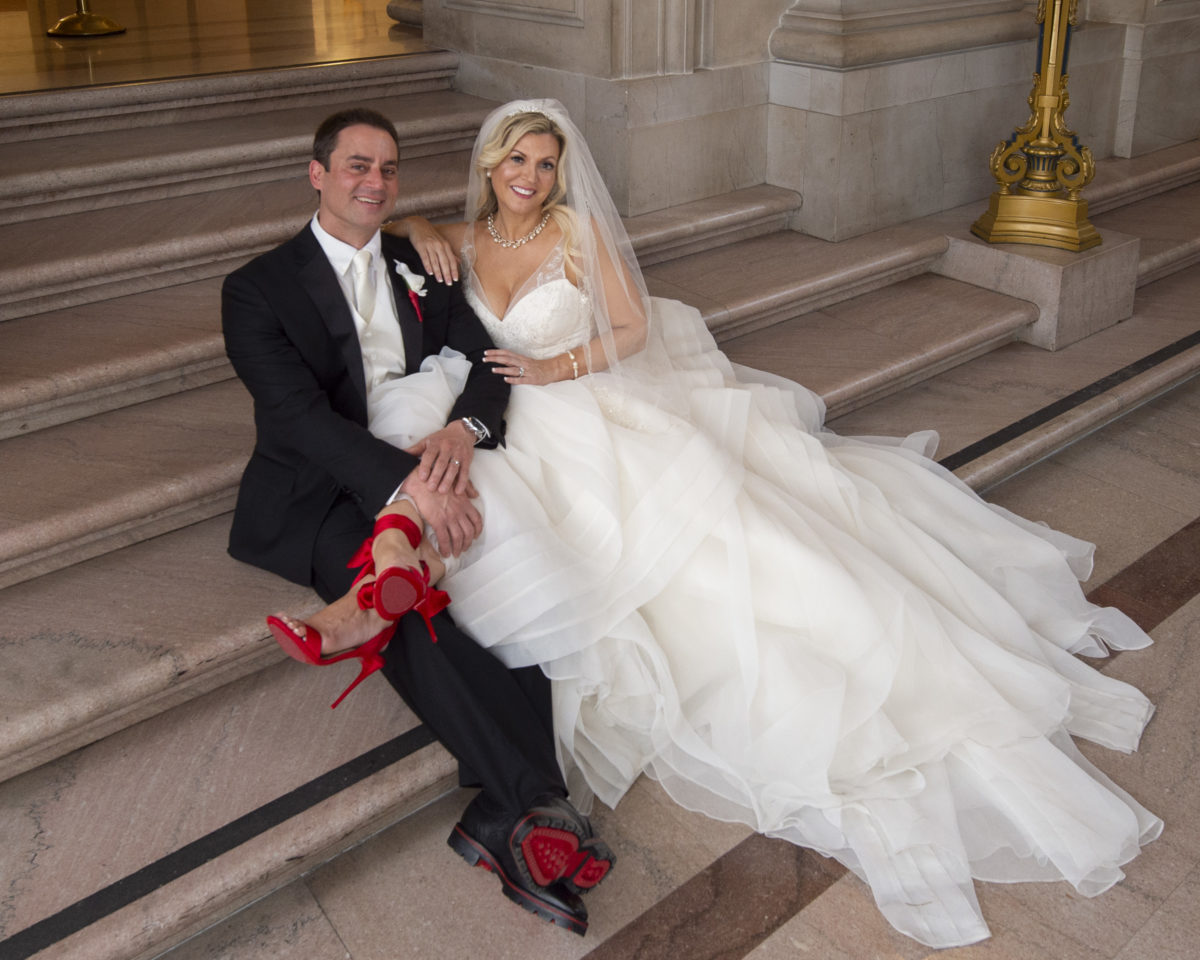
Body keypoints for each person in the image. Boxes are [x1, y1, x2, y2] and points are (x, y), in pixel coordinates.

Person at [290, 100, 1162, 949]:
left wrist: (558, 366)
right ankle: (405, 574)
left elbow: (628, 328)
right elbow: (381, 228)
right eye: (517, 159)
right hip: (498, 410)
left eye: (546, 163)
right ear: (490, 163)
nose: (530, 175)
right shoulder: (448, 238)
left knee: (718, 551)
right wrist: (418, 227)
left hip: (581, 399)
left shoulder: (578, 234)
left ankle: (413, 586)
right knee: (491, 507)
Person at [221, 107, 614, 938]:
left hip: (430, 457)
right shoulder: (257, 287)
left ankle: (519, 815)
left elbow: (480, 361)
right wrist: (413, 488)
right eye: (357, 165)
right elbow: (298, 421)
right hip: (324, 488)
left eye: (389, 169)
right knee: (409, 610)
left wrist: (459, 440)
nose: (375, 182)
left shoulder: (419, 260)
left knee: (503, 568)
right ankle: (530, 808)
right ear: (317, 173)